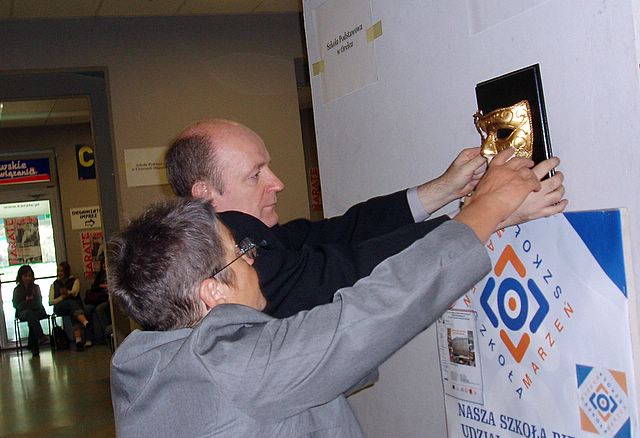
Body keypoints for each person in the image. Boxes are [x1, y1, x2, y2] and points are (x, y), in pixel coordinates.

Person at [108, 149, 555, 438]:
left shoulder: (156, 363)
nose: (254, 260)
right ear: (213, 292)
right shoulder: (232, 367)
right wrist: (488, 208)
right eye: (241, 253)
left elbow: (332, 349)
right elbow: (374, 312)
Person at [165, 118, 567, 317]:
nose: (278, 183)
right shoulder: (229, 263)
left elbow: (342, 233)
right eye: (256, 175)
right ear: (205, 195)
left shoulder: (247, 236)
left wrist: (446, 188)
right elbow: (346, 269)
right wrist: (492, 210)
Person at [49, 261, 92, 350]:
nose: (59, 273)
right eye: (58, 271)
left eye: (61, 271)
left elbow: (75, 293)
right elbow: (51, 301)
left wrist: (67, 293)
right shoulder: (54, 284)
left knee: (73, 310)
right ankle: (84, 322)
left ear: (66, 271)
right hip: (60, 307)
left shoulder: (75, 280)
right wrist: (62, 297)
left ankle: (78, 342)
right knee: (71, 304)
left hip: (74, 307)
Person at [12, 264, 48, 356]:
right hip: (23, 313)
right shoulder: (17, 289)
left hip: (37, 311)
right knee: (30, 314)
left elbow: (39, 302)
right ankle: (39, 337)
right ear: (21, 277)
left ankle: (33, 345)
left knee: (32, 317)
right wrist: (28, 302)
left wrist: (25, 303)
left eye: (29, 276)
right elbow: (16, 305)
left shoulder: (36, 287)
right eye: (25, 276)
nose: (27, 278)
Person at [84, 258, 111, 343]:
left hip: (106, 299)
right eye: (103, 264)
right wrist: (101, 286)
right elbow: (93, 287)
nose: (104, 266)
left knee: (100, 309)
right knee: (87, 309)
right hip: (97, 298)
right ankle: (89, 337)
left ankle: (107, 335)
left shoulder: (112, 274)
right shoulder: (100, 274)